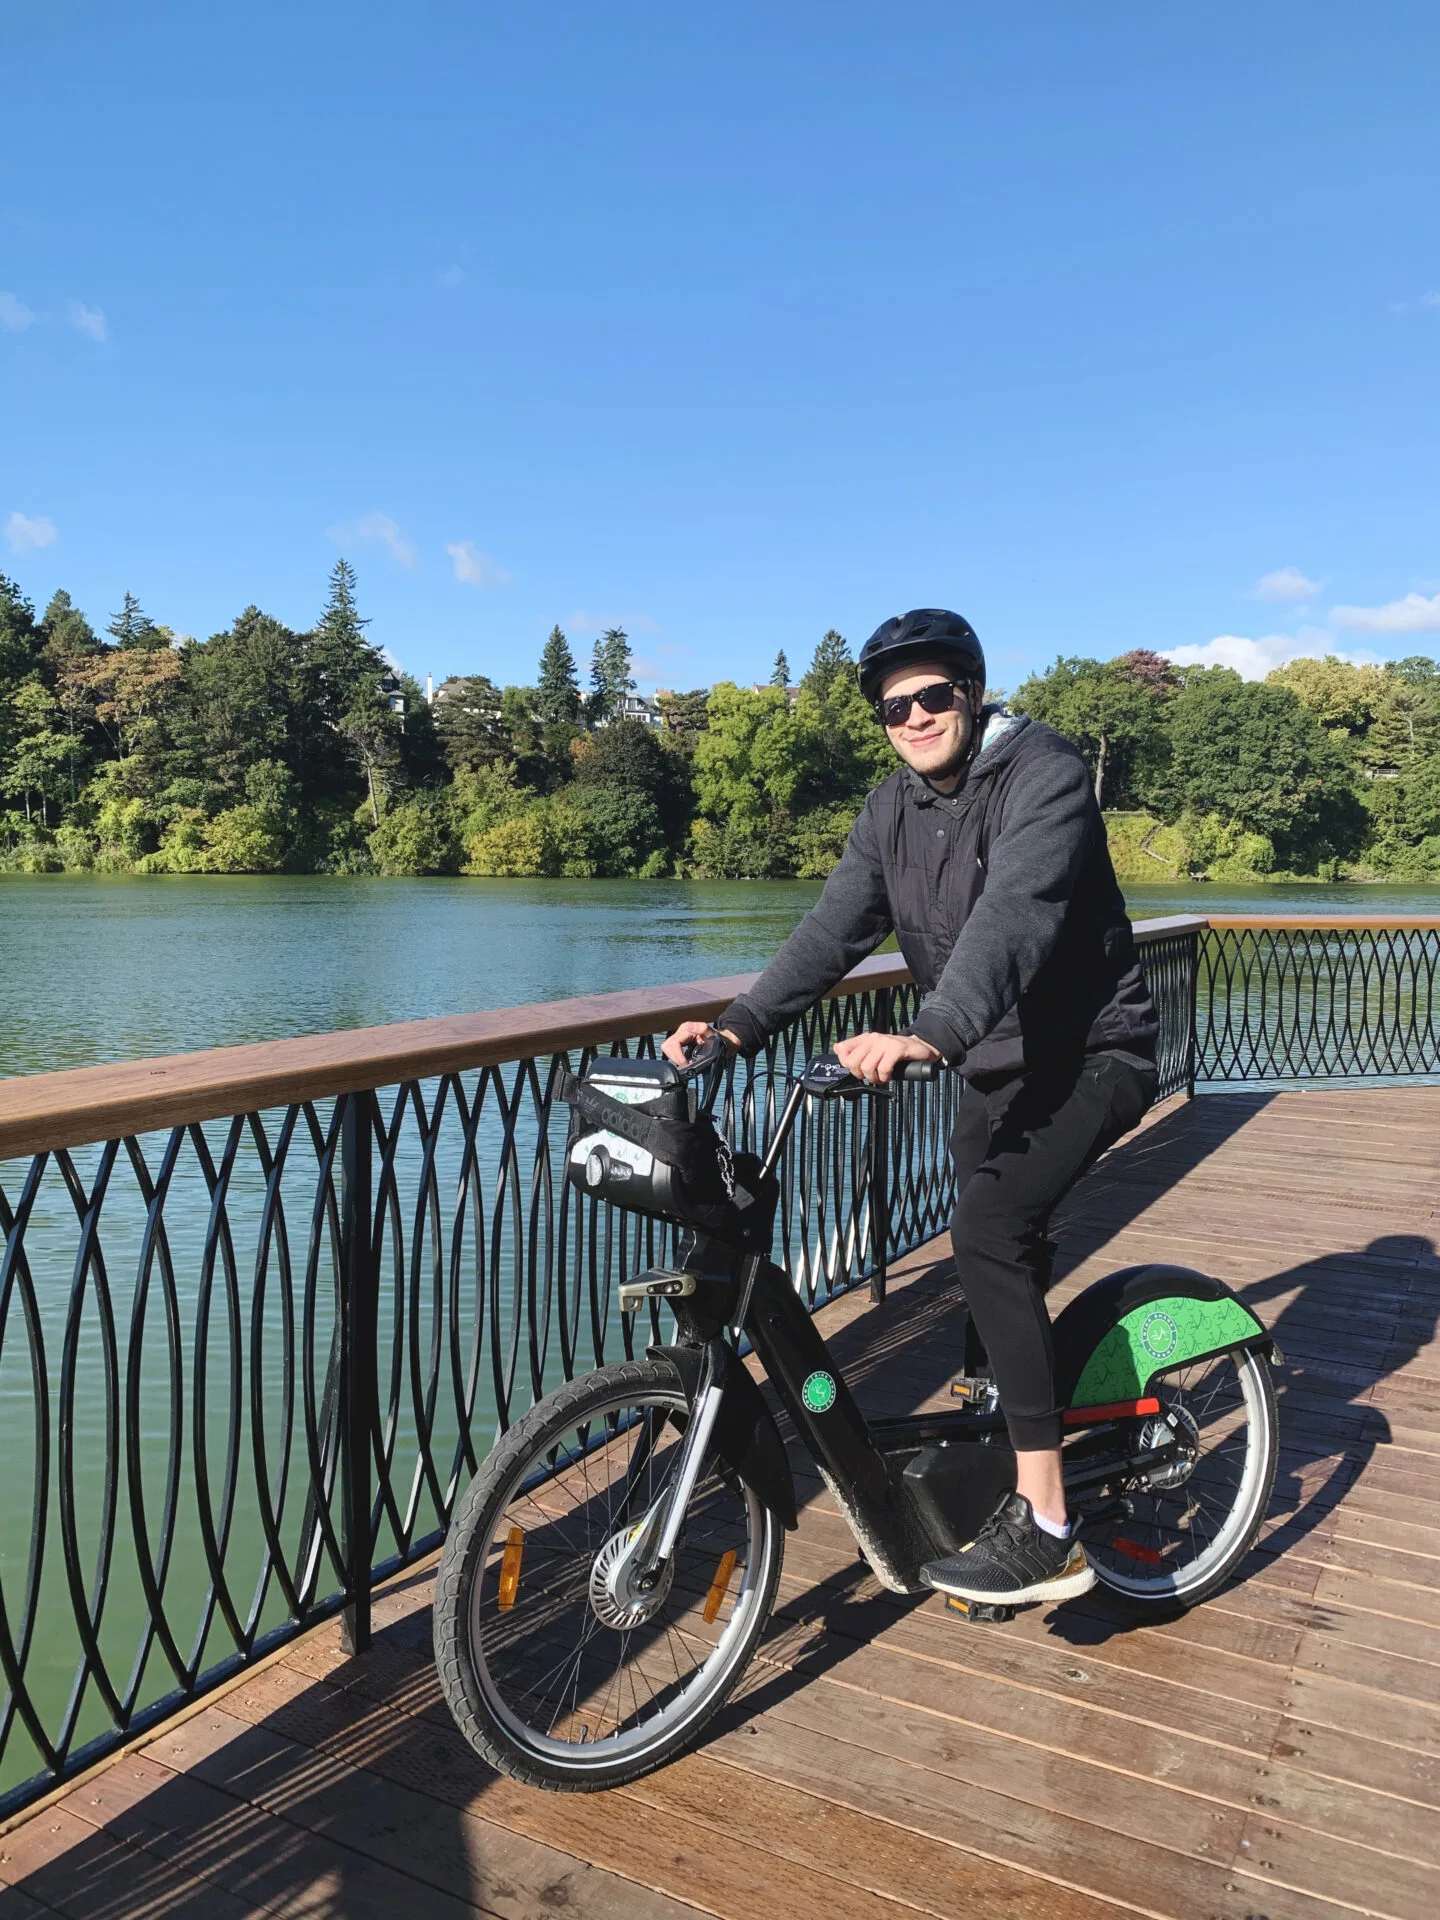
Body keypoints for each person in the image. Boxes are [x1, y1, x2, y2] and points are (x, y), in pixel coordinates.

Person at [662, 608, 1158, 1606]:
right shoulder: (892, 810)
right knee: (994, 1252)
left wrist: (932, 1031)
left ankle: (1050, 1522)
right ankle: (999, 1431)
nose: (917, 715)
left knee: (984, 1228)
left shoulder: (1045, 774)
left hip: (1093, 1052)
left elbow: (1018, 913)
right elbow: (831, 929)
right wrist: (735, 1030)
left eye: (936, 695)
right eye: (896, 706)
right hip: (996, 1066)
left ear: (972, 693)